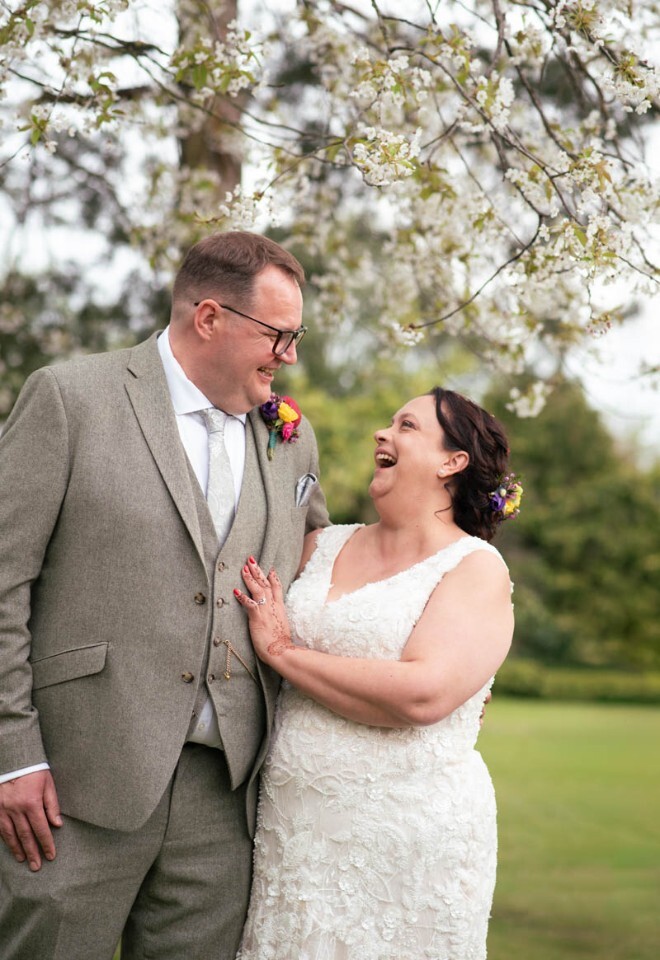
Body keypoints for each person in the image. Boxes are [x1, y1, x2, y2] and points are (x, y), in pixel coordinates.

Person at [0, 231, 329, 960]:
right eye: (278, 335)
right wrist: (13, 757)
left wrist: (422, 647)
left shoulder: (291, 440)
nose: (290, 357)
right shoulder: (69, 398)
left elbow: (323, 569)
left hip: (226, 797)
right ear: (208, 318)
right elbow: (3, 582)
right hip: (73, 784)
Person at [234, 387, 520, 960]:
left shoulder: (474, 569)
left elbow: (423, 694)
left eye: (407, 427)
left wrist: (285, 653)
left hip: (405, 843)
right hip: (293, 837)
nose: (382, 435)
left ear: (452, 462)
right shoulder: (319, 545)